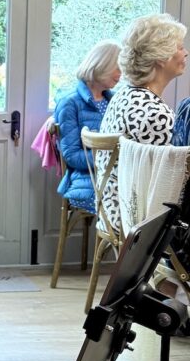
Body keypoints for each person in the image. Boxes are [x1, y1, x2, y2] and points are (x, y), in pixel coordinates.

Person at [96, 13, 188, 235]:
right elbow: (172, 183)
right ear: (161, 57)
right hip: (137, 217)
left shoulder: (125, 95)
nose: (185, 53)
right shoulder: (153, 113)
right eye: (179, 47)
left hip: (113, 208)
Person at [52, 40, 122, 213]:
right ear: (101, 65)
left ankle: (116, 240)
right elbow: (72, 156)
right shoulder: (70, 103)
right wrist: (110, 160)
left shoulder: (114, 100)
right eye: (117, 68)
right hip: (85, 181)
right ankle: (114, 241)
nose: (121, 74)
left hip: (113, 176)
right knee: (128, 205)